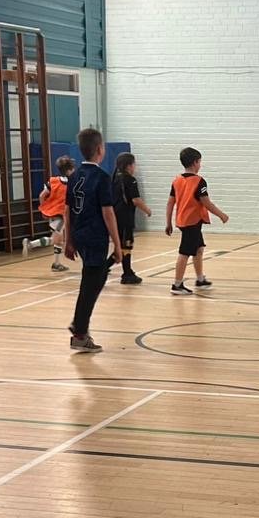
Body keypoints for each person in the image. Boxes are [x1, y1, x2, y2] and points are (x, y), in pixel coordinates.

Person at [63, 128, 123, 353]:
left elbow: (67, 211)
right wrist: (117, 245)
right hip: (95, 236)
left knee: (94, 278)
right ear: (100, 149)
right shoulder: (102, 177)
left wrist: (69, 240)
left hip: (79, 234)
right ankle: (79, 331)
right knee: (92, 283)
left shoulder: (74, 176)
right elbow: (108, 213)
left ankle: (79, 325)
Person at [166, 147, 228, 294]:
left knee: (199, 248)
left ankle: (200, 279)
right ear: (195, 162)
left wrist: (168, 222)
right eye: (200, 162)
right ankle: (177, 284)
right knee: (184, 252)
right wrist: (221, 215)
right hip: (191, 222)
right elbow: (207, 203)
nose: (200, 165)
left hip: (185, 221)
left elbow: (170, 203)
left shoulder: (177, 180)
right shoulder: (199, 181)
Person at [22, 154, 75, 270]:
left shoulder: (53, 181)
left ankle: (56, 263)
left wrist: (44, 209)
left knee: (57, 240)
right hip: (60, 215)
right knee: (56, 239)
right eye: (73, 168)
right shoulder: (72, 183)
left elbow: (42, 195)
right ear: (69, 170)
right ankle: (30, 244)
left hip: (53, 213)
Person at [109, 151, 152, 283]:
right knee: (126, 245)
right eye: (134, 164)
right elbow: (135, 200)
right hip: (125, 217)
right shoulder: (130, 180)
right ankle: (122, 272)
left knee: (122, 245)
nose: (135, 167)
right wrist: (147, 210)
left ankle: (125, 271)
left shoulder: (114, 178)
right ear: (129, 166)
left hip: (115, 216)